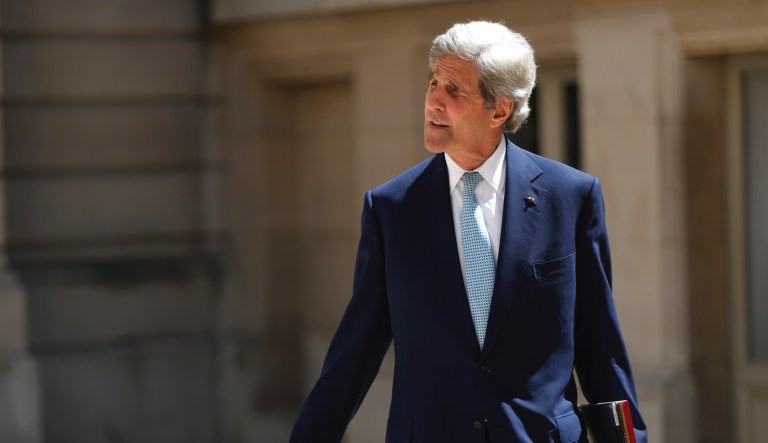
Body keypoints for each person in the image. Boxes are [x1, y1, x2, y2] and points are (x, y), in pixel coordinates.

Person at [290, 20, 647, 443]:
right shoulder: (391, 209)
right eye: (433, 83)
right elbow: (355, 352)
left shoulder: (571, 197)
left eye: (454, 90)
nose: (433, 102)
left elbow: (600, 346)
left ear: (500, 110)